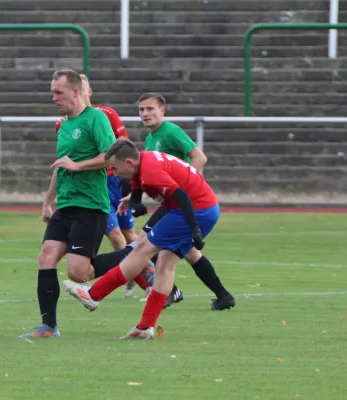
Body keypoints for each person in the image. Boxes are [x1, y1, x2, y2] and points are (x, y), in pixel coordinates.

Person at [63, 138, 221, 339]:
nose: (114, 173)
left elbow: (182, 197)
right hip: (206, 208)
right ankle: (145, 327)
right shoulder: (142, 160)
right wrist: (135, 202)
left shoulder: (150, 172)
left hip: (194, 210)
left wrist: (194, 230)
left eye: (115, 168)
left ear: (128, 162)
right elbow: (137, 185)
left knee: (142, 248)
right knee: (164, 265)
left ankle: (94, 295)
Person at [17, 69, 118, 339]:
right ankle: (48, 327)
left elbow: (110, 157)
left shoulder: (96, 118)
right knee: (46, 258)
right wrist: (47, 201)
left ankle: (136, 256)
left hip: (91, 205)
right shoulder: (63, 125)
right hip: (66, 204)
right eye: (52, 92)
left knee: (78, 273)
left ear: (76, 91)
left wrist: (78, 165)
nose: (54, 97)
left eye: (58, 92)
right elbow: (61, 167)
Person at [134, 93, 235, 311]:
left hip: (180, 201)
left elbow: (199, 157)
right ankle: (223, 296)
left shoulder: (171, 131)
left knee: (142, 243)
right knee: (188, 251)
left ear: (163, 111)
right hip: (172, 203)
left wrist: (190, 185)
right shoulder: (151, 138)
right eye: (141, 109)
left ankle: (171, 291)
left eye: (150, 109)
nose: (145, 114)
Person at [56, 75, 139, 298]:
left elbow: (121, 150)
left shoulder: (105, 115)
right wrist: (49, 199)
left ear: (85, 91)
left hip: (114, 181)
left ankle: (137, 267)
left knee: (128, 232)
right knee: (114, 234)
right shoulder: (63, 123)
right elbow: (64, 162)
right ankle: (131, 271)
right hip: (85, 192)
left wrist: (129, 183)